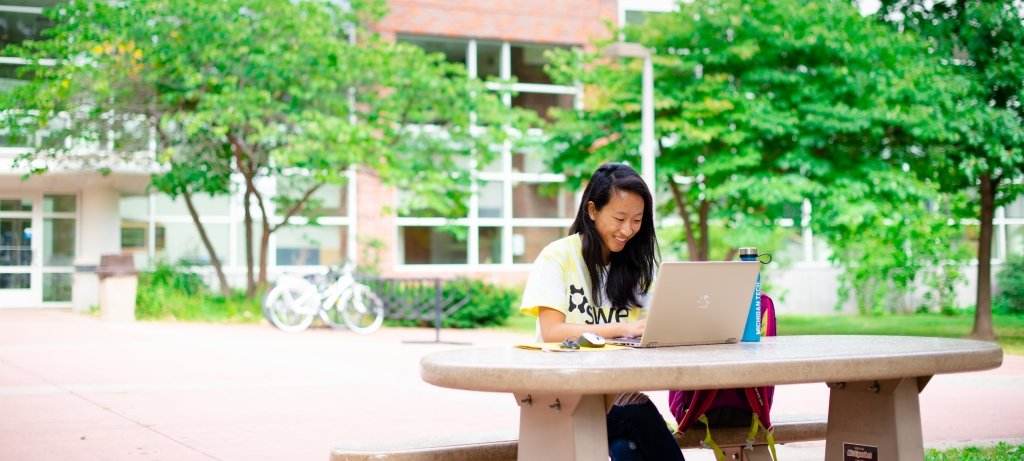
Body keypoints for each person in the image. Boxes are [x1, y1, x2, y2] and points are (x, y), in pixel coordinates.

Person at [519, 162, 685, 461]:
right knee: (640, 415)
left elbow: (653, 326)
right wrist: (624, 328)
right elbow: (552, 332)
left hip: (614, 396)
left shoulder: (636, 268)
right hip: (563, 397)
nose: (627, 230)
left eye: (637, 220)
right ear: (592, 211)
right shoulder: (558, 257)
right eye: (619, 218)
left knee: (626, 451)